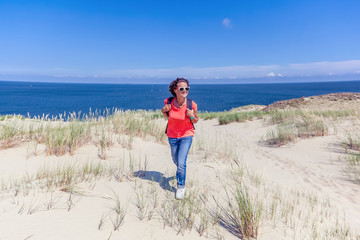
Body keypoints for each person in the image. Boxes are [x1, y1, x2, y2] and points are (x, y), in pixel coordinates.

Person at [161, 77, 199, 200]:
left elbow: (196, 120)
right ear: (175, 90)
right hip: (172, 136)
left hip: (186, 135)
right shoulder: (168, 101)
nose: (184, 90)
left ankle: (181, 187)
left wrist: (192, 116)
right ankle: (180, 170)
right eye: (181, 88)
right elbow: (166, 115)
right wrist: (163, 110)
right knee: (175, 159)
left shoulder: (191, 104)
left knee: (181, 163)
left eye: (187, 88)